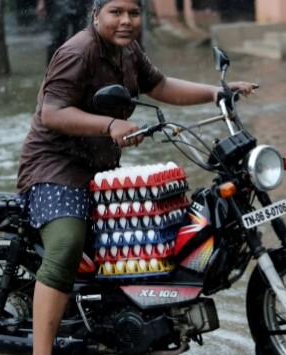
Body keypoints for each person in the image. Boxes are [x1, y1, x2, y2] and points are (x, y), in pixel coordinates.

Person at [16, 0, 257, 353]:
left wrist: (217, 93)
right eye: (116, 12)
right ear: (96, 15)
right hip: (55, 169)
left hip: (101, 171)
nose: (126, 20)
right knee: (67, 244)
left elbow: (160, 86)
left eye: (133, 12)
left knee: (147, 236)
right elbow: (52, 112)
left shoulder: (128, 52)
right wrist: (110, 124)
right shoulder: (78, 51)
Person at [36, 0, 93, 64]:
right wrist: (41, 3)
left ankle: (77, 65)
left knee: (80, 39)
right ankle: (53, 65)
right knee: (56, 39)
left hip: (79, 5)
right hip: (60, 5)